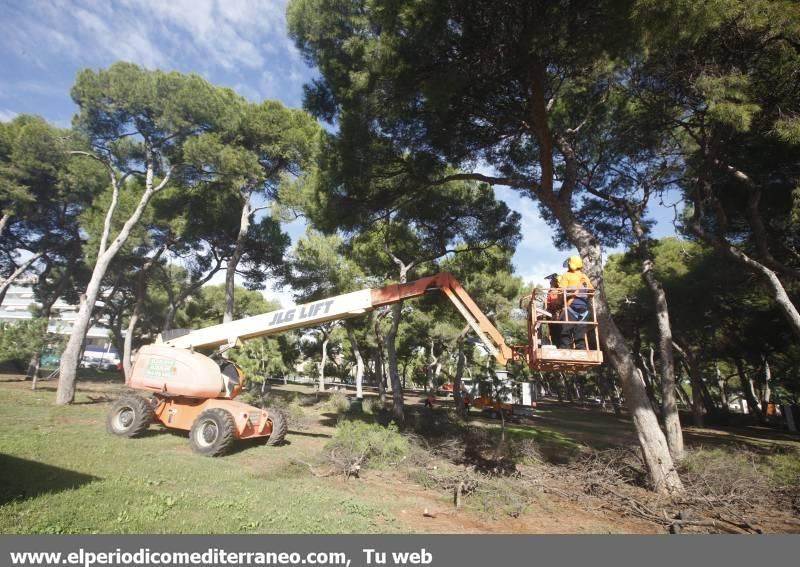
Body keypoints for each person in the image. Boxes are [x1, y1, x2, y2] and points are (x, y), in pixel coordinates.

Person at [555, 255, 594, 349]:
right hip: (583, 308)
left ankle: (565, 348)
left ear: (571, 264)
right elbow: (591, 291)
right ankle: (580, 348)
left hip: (571, 307)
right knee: (580, 331)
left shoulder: (566, 275)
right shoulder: (584, 276)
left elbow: (561, 291)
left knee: (566, 330)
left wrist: (559, 302)